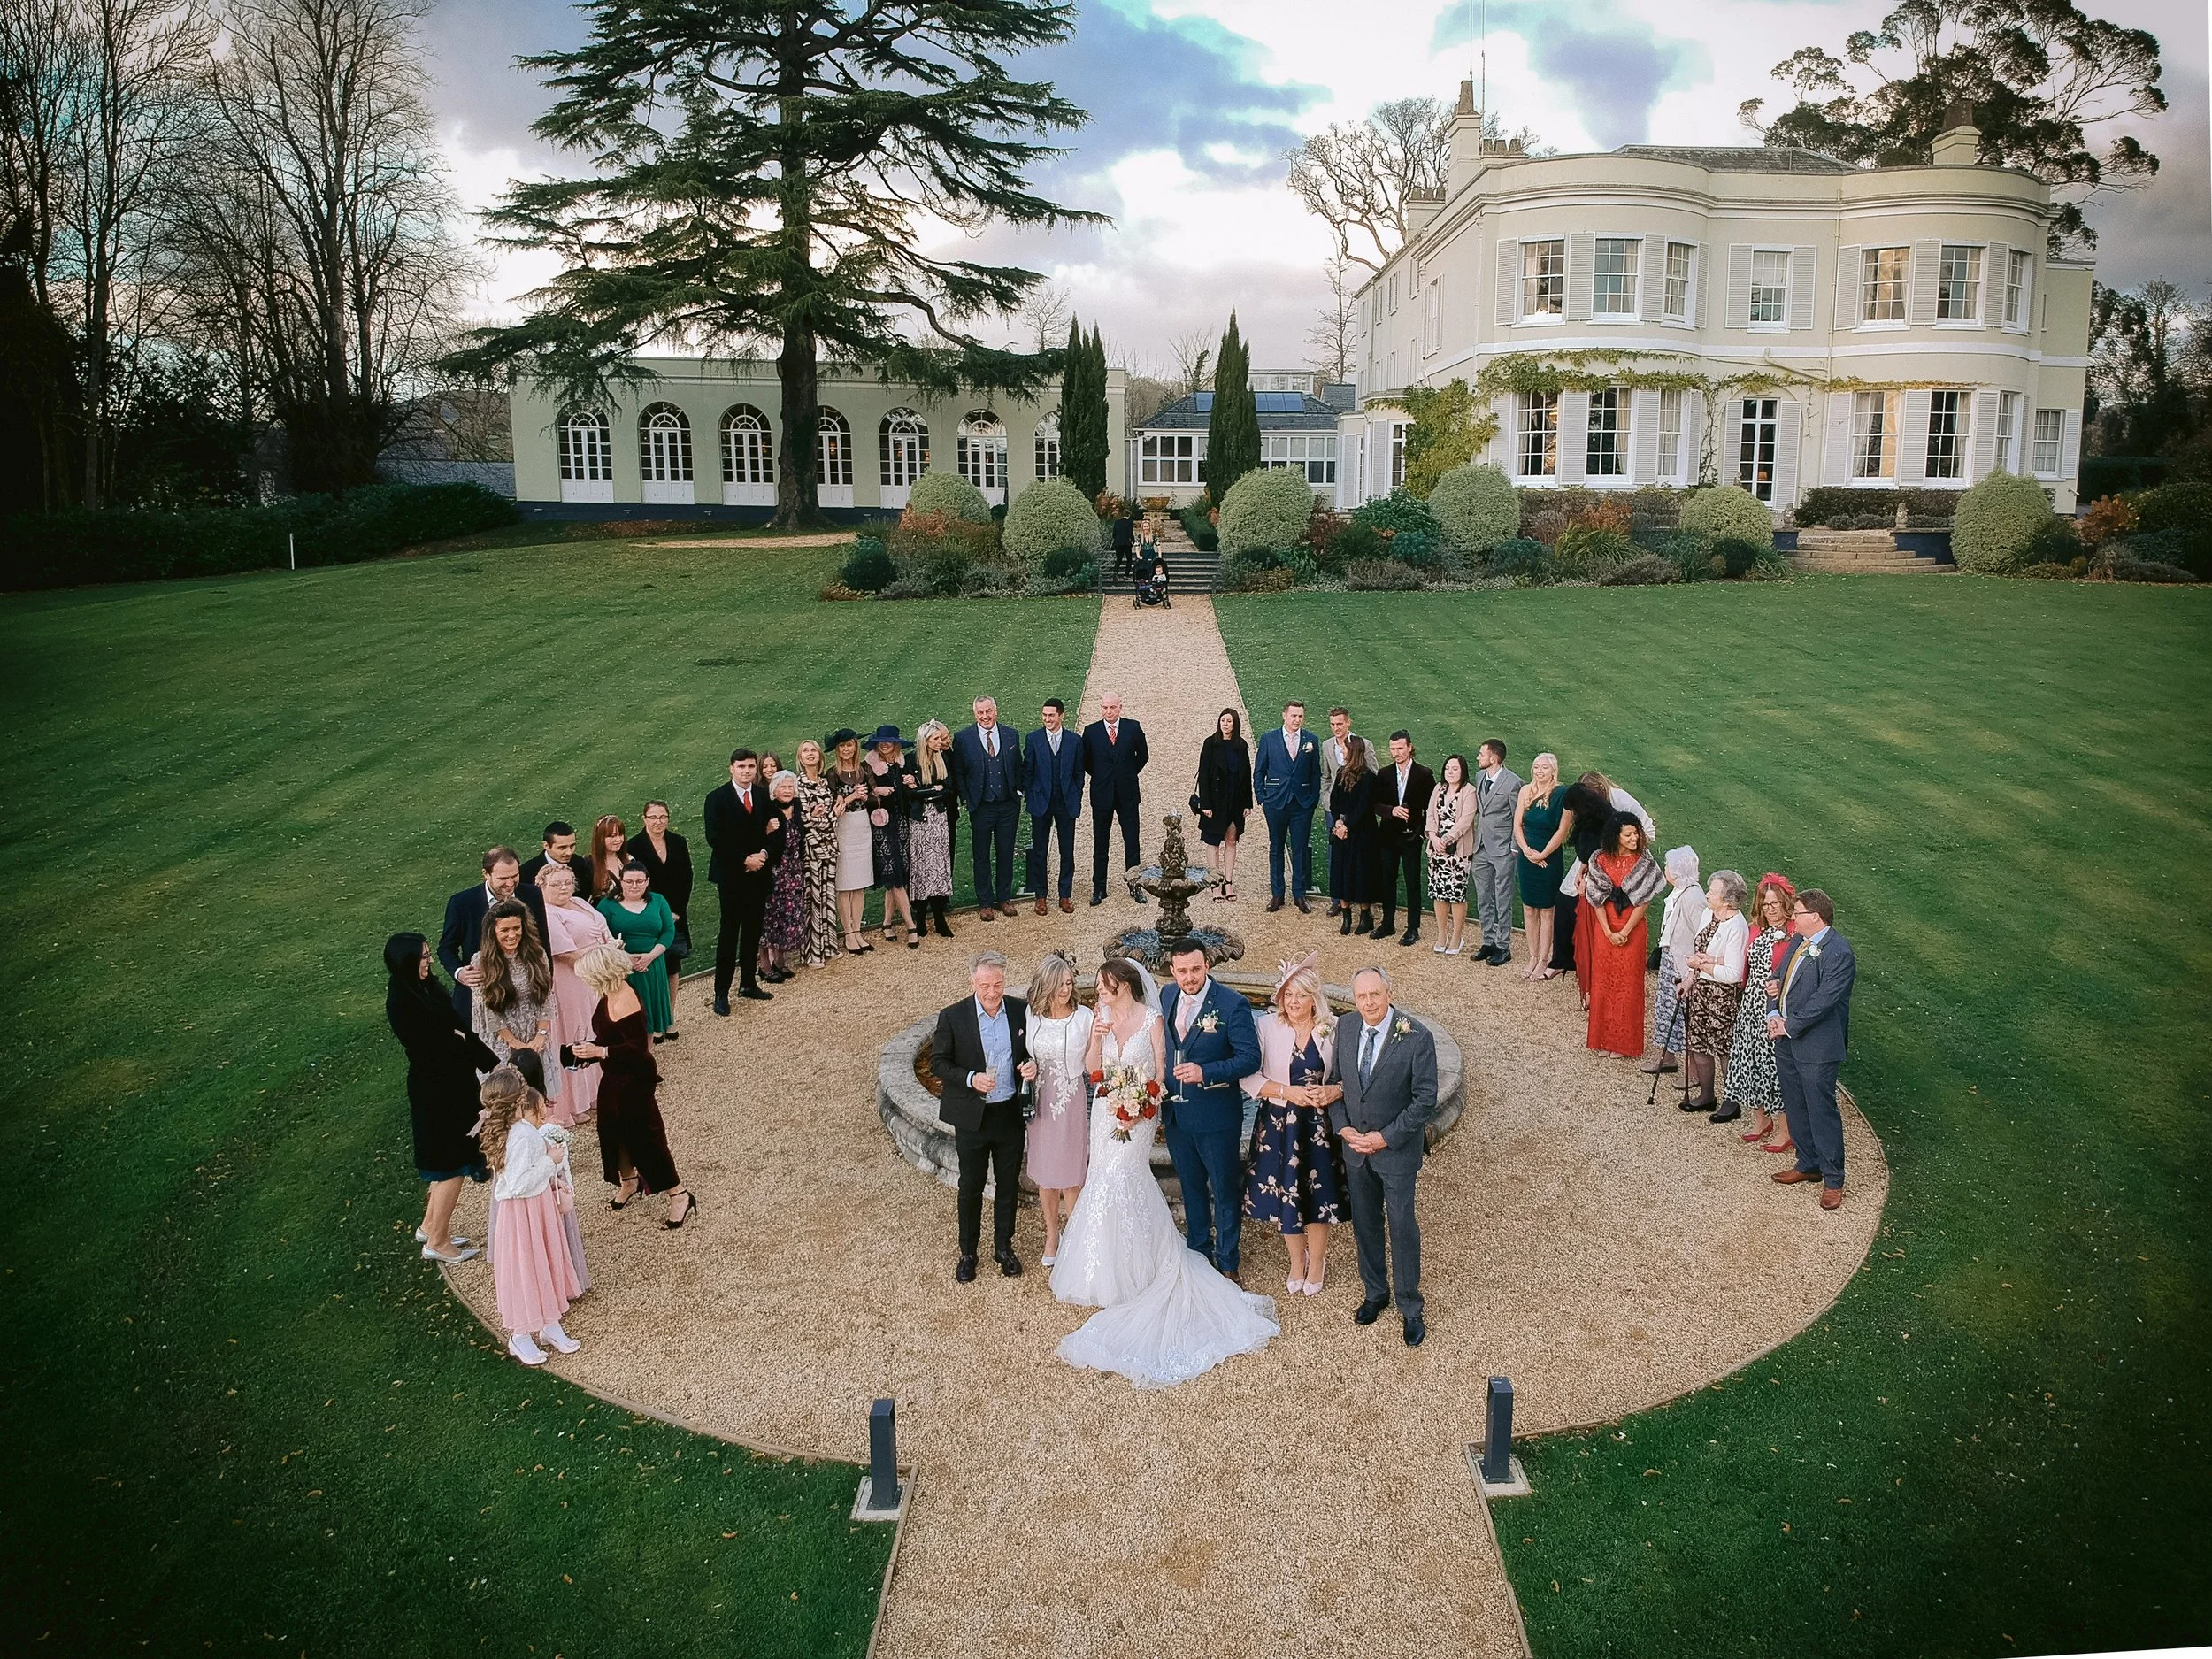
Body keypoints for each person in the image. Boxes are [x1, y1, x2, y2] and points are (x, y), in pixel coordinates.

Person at [1052, 958, 1279, 1388]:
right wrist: (1097, 1042)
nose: (1099, 991)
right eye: (1180, 969)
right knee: (1105, 1180)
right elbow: (1091, 1071)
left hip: (1147, 1114)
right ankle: (1110, 1269)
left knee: (1154, 1181)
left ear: (1124, 984)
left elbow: (1160, 1071)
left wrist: (1141, 1106)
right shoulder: (1124, 1009)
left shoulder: (1164, 1014)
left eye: (1105, 985)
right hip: (1105, 1111)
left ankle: (1224, 1263)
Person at [1327, 966, 1439, 1347]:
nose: (1369, 1002)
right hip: (1355, 1151)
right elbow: (1335, 1084)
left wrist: (1384, 1137)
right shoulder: (1344, 1029)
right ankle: (1375, 1293)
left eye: (1375, 994)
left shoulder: (1416, 1037)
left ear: (1389, 993)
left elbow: (1425, 1099)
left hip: (1396, 1153)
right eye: (1362, 996)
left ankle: (1410, 1306)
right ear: (1354, 998)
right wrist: (1343, 1128)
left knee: (1402, 1227)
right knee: (1366, 1225)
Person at [384, 933, 495, 1263]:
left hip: (454, 1084)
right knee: (450, 1165)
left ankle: (430, 1225)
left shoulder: (426, 989)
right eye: (422, 957)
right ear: (406, 962)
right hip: (437, 1091)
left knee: (447, 1159)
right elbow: (431, 1050)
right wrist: (456, 1040)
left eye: (429, 955)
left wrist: (484, 1058)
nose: (428, 961)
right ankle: (438, 1241)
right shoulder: (402, 1002)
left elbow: (457, 1029)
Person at [1159, 937, 1263, 1283]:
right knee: (1191, 1187)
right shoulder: (1167, 995)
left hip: (1216, 1115)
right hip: (1176, 1115)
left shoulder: (1233, 1004)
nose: (1189, 977)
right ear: (1172, 970)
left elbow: (1250, 1059)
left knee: (1223, 1188)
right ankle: (1199, 1252)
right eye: (1182, 970)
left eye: (1196, 969)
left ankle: (1228, 1260)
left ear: (1207, 966)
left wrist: (1207, 1072)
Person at [1242, 953, 1347, 1295]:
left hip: (1318, 1127)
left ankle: (1317, 1261)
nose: (1294, 1002)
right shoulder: (1266, 1026)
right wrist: (1288, 1092)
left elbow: (1350, 1079)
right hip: (1279, 1124)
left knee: (1317, 1195)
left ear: (1313, 997)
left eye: (1301, 995)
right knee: (1286, 1194)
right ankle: (1295, 1262)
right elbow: (1248, 1077)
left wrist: (1334, 1091)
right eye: (1288, 995)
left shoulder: (1332, 1029)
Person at [929, 951, 1033, 1280]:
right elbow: (938, 1063)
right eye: (985, 985)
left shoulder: (1020, 1011)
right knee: (970, 1185)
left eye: (998, 984)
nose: (992, 992)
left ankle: (1004, 1247)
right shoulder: (953, 1016)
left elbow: (1032, 1050)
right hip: (972, 1117)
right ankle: (968, 1252)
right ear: (973, 982)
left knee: (1007, 1185)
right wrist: (971, 1079)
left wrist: (1032, 1066)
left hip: (1008, 1113)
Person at [573, 942, 694, 1227]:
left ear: (601, 973)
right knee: (611, 1130)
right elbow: (611, 1037)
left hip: (635, 1078)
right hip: (614, 1075)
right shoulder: (608, 993)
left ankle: (679, 1194)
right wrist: (587, 1051)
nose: (585, 980)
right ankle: (629, 1181)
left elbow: (638, 1048)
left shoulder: (626, 998)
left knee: (646, 1136)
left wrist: (600, 1052)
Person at [479, 1066, 586, 1367]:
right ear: (519, 1099)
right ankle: (520, 1334)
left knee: (542, 1263)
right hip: (524, 1212)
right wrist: (551, 1161)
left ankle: (549, 1323)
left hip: (532, 1210)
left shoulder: (510, 1131)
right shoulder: (522, 1135)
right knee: (528, 1265)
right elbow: (518, 1184)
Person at [1768, 889, 1857, 1210]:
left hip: (1817, 1047)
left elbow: (1824, 1002)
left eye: (1798, 913)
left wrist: (1788, 1026)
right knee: (1795, 1103)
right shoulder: (1798, 942)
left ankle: (1834, 1179)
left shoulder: (1839, 953)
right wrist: (1773, 1011)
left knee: (1821, 1110)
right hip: (1787, 1040)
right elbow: (1778, 978)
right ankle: (1808, 1164)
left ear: (1815, 917)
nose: (1793, 918)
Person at [1023, 950, 1093, 1266]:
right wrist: (1027, 1067)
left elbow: (1096, 1063)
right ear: (1045, 986)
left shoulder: (1085, 1018)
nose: (1065, 990)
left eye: (1068, 982)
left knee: (1069, 1174)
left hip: (1070, 1098)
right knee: (1045, 1173)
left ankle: (1076, 1237)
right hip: (1039, 1100)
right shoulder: (1031, 1015)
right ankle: (1053, 1234)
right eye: (1059, 984)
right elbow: (1026, 1055)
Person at [536, 861, 617, 1125]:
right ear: (542, 886)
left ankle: (595, 1093)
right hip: (571, 980)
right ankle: (573, 1103)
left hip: (595, 977)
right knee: (575, 1032)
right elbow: (567, 954)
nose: (563, 888)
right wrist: (607, 956)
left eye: (567, 882)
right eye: (556, 884)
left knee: (596, 1029)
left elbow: (602, 929)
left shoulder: (580, 903)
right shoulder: (547, 913)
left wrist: (611, 947)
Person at [703, 748, 782, 1011]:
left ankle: (748, 983)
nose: (747, 771)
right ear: (731, 768)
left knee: (752, 931)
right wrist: (743, 859)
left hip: (758, 873)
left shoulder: (761, 796)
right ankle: (721, 993)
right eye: (741, 767)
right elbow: (715, 838)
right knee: (729, 932)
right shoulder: (716, 798)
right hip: (732, 876)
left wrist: (763, 853)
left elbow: (776, 830)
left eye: (750, 767)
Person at [1725, 875, 1798, 1148]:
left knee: (1773, 1067)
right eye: (1766, 904)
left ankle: (1784, 1129)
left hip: (1774, 1007)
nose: (1771, 909)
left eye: (1776, 903)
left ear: (1785, 902)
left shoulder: (1794, 933)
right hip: (1750, 1004)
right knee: (1749, 1061)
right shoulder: (1756, 929)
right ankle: (1760, 1120)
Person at [1582, 815, 1663, 1057]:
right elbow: (1596, 898)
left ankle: (1623, 1044)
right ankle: (1604, 1040)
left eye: (1636, 833)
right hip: (1605, 925)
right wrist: (1607, 931)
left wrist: (1625, 931)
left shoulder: (1645, 862)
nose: (1634, 838)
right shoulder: (1599, 859)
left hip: (1632, 928)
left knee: (1629, 984)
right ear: (1615, 835)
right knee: (1603, 982)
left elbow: (1644, 901)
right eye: (1628, 834)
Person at [442, 848, 549, 1024]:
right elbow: (446, 947)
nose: (510, 883)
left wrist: (545, 979)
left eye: (514, 876)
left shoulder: (532, 894)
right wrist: (459, 972)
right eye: (503, 878)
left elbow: (543, 940)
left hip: (525, 988)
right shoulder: (462, 903)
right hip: (483, 989)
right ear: (486, 874)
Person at [470, 899, 559, 1105]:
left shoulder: (537, 954)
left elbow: (546, 996)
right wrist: (515, 1044)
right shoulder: (481, 961)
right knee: (507, 1101)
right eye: (505, 930)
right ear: (493, 931)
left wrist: (541, 1035)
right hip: (502, 1040)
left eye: (517, 928)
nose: (512, 935)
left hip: (535, 1035)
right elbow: (486, 1011)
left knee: (536, 1098)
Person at [1681, 870, 1750, 1116]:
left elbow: (1733, 973)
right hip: (1701, 989)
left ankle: (1731, 1102)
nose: (1708, 894)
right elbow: (1700, 949)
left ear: (1728, 899)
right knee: (1698, 1043)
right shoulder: (1708, 914)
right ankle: (1707, 1095)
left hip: (1722, 996)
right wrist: (1690, 979)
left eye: (1713, 891)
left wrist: (1701, 966)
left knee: (1723, 1048)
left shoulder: (1737, 926)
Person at [951, 697, 1024, 919]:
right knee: (981, 854)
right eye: (981, 712)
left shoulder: (1011, 735)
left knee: (1005, 852)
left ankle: (1004, 898)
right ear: (975, 714)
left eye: (988, 711)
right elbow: (959, 772)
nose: (985, 716)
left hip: (1008, 804)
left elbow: (1018, 765)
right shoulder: (963, 738)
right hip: (981, 806)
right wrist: (966, 799)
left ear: (996, 711)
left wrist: (1019, 791)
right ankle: (984, 902)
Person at [1251, 699, 1321, 914]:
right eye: (1293, 716)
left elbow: (1315, 773)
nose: (1297, 720)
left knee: (1300, 848)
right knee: (1276, 848)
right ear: (1284, 715)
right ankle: (1277, 894)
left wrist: (1312, 800)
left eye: (1300, 716)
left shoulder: (1311, 740)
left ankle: (1299, 895)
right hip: (1276, 803)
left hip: (1301, 804)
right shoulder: (1269, 739)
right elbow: (1259, 771)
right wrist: (1263, 798)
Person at [1644, 846, 1708, 1078]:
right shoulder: (1679, 891)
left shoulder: (1693, 897)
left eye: (1669, 866)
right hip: (1670, 959)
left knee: (1685, 1016)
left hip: (1684, 965)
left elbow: (1701, 936)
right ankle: (1667, 1057)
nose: (1665, 869)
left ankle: (1692, 1072)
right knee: (1665, 1010)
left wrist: (1692, 971)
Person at [623, 802, 694, 1009]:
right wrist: (658, 912)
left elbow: (686, 878)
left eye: (662, 817)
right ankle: (652, 1017)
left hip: (676, 914)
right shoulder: (633, 847)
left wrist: (677, 910)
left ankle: (669, 1016)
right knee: (651, 969)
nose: (658, 822)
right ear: (644, 819)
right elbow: (636, 885)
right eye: (653, 817)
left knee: (672, 967)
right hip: (647, 916)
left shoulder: (678, 842)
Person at [1082, 692, 1148, 906]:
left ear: (1120, 707)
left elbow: (1143, 756)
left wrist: (1127, 774)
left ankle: (1135, 886)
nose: (1109, 711)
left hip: (1127, 794)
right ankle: (1099, 888)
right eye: (1105, 708)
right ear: (1101, 708)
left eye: (1112, 707)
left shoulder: (1133, 728)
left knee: (1132, 841)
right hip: (1102, 794)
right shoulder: (1091, 732)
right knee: (1101, 843)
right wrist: (1104, 777)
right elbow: (1087, 762)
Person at [597, 864, 677, 1039]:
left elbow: (668, 931)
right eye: (629, 881)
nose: (635, 886)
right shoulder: (607, 905)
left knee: (649, 1017)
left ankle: (646, 1055)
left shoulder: (658, 900)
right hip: (621, 966)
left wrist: (650, 956)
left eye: (640, 881)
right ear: (621, 881)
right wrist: (625, 958)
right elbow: (601, 936)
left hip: (653, 964)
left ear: (647, 881)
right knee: (627, 1016)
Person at [1514, 755, 1573, 981]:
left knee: (1547, 910)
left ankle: (1544, 958)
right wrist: (1527, 851)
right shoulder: (1525, 791)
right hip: (1527, 855)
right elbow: (1517, 824)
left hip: (1549, 857)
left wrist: (1543, 854)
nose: (1539, 771)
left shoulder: (1561, 795)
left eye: (1544, 767)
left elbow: (1562, 830)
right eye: (1536, 767)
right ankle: (1533, 955)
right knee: (1529, 907)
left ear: (1553, 770)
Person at [1373, 730, 1434, 947]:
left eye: (1400, 748)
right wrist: (1391, 811)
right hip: (1388, 835)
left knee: (1412, 882)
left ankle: (1412, 928)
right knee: (1388, 880)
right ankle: (1388, 922)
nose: (1396, 753)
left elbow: (1431, 808)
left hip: (1411, 836)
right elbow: (1376, 804)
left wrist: (1421, 833)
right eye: (1393, 749)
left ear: (1409, 747)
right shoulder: (1384, 774)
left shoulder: (1424, 774)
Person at [1023, 696, 1083, 914]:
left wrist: (1076, 794)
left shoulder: (1075, 741)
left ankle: (1065, 895)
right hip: (1041, 803)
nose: (1047, 719)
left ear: (1061, 715)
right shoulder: (1034, 739)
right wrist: (1031, 796)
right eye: (1044, 715)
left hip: (1066, 803)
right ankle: (1041, 896)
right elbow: (1027, 772)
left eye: (1051, 715)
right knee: (1040, 851)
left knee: (1067, 851)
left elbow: (1079, 773)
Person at [1318, 709, 1380, 918]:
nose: (1336, 728)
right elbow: (1326, 776)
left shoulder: (1364, 744)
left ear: (1348, 723)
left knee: (1359, 859)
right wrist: (1329, 806)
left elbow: (1373, 775)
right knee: (1336, 856)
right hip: (1335, 811)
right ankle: (1338, 901)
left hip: (1359, 816)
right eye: (1333, 724)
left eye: (1339, 724)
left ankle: (1362, 904)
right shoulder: (1327, 745)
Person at [789, 741, 845, 967]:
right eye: (806, 751)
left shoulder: (823, 783)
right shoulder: (798, 784)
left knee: (828, 895)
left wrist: (827, 816)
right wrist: (831, 817)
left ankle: (829, 944)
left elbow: (824, 816)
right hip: (812, 847)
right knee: (813, 898)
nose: (810, 754)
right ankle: (813, 952)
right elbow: (805, 819)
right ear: (800, 758)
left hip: (830, 845)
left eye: (813, 750)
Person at [1469, 740, 1524, 965]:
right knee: (1483, 896)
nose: (1478, 757)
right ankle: (1488, 941)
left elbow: (1517, 818)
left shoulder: (1513, 783)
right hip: (1480, 847)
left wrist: (1513, 847)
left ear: (1494, 758)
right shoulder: (1480, 777)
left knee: (1502, 898)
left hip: (1502, 850)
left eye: (1482, 754)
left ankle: (1503, 946)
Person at [862, 726, 917, 946]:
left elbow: (911, 793)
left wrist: (912, 784)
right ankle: (911, 925)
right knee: (895, 876)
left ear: (896, 744)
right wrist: (876, 792)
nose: (885, 745)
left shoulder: (902, 764)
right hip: (882, 825)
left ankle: (886, 922)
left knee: (898, 875)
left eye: (889, 741)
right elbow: (863, 792)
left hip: (902, 822)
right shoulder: (869, 766)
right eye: (881, 742)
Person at [905, 721, 958, 940]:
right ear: (925, 740)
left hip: (939, 818)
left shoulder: (942, 759)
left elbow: (949, 790)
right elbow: (910, 793)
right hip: (920, 819)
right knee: (920, 867)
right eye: (936, 739)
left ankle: (939, 916)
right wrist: (929, 790)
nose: (941, 742)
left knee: (938, 867)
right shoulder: (911, 760)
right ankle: (919, 917)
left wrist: (923, 790)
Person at [1559, 775, 1613, 986]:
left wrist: (1585, 880)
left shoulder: (1592, 824)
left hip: (1597, 882)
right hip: (1595, 875)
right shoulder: (1603, 815)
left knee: (1590, 929)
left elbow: (1592, 855)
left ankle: (1592, 976)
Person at [757, 768, 810, 975]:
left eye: (790, 786)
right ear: (774, 790)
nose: (787, 790)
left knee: (788, 916)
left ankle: (780, 960)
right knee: (769, 917)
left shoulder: (797, 807)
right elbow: (756, 839)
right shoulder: (767, 810)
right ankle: (764, 964)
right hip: (774, 872)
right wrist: (766, 830)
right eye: (783, 787)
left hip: (794, 871)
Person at [1193, 707, 1251, 900]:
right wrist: (1206, 805)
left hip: (1234, 802)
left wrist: (1247, 804)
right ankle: (1215, 882)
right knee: (1213, 842)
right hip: (1215, 803)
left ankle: (1228, 881)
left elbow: (1246, 777)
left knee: (1231, 841)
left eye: (1229, 721)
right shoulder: (1210, 744)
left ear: (1235, 724)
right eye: (1223, 721)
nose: (1225, 724)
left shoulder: (1241, 746)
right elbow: (1204, 775)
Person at [1425, 754, 1478, 956]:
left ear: (1463, 771)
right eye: (1448, 768)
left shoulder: (1469, 791)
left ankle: (1457, 936)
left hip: (1458, 852)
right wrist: (1433, 837)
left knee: (1456, 895)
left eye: (1455, 769)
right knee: (1439, 893)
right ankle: (1441, 934)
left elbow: (1465, 821)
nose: (1450, 772)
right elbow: (1430, 814)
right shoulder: (1439, 789)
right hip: (1437, 851)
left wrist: (1446, 839)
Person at [827, 730, 875, 955]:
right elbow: (831, 809)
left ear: (855, 747)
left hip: (862, 825)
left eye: (850, 746)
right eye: (842, 746)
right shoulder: (832, 774)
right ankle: (847, 932)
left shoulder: (864, 769)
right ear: (837, 750)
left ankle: (857, 930)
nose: (846, 750)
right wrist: (852, 797)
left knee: (859, 883)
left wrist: (867, 798)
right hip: (843, 827)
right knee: (845, 883)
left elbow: (876, 797)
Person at [519, 821, 586, 890]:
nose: (569, 852)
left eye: (572, 846)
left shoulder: (579, 863)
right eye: (562, 848)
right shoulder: (526, 872)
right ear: (546, 846)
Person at [587, 815, 628, 903]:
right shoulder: (588, 864)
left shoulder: (629, 860)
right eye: (612, 836)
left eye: (620, 835)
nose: (618, 839)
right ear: (600, 838)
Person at [1110, 510, 1135, 581]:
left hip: (1118, 543)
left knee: (1118, 559)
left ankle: (1116, 572)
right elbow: (1130, 533)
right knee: (1129, 560)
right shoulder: (1129, 522)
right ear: (1129, 515)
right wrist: (1134, 542)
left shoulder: (1117, 522)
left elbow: (1114, 534)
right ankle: (1126, 575)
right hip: (1126, 543)